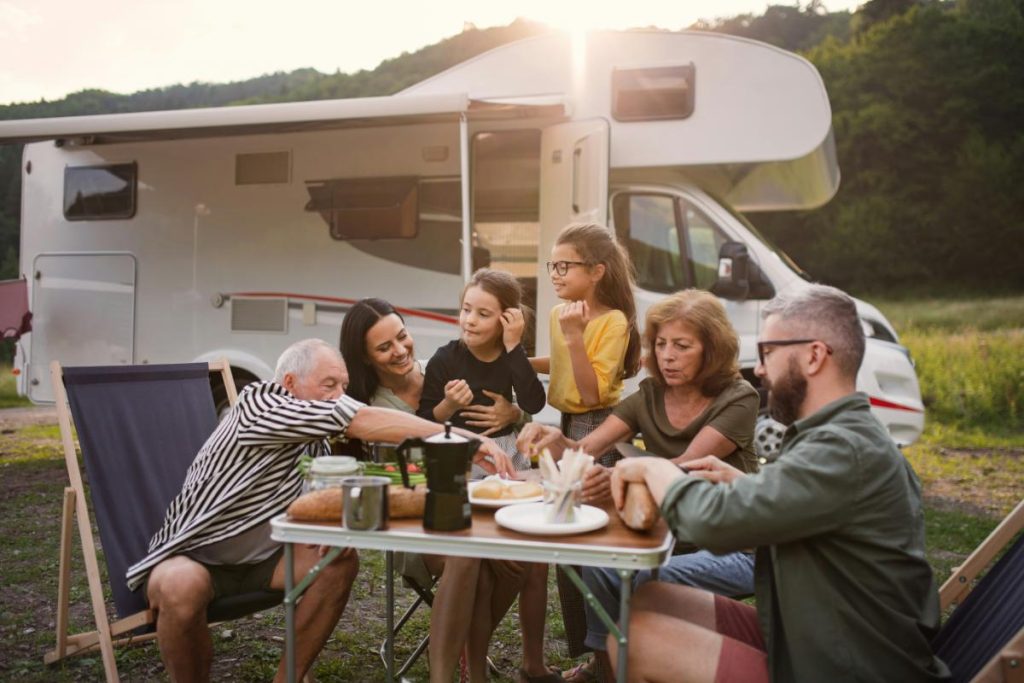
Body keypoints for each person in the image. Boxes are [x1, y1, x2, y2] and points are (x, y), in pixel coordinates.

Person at [606, 285, 950, 682]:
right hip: (812, 636)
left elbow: (710, 524)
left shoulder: (842, 450)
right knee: (650, 597)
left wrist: (655, 469)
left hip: (848, 666)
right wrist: (744, 487)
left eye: (768, 352)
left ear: (814, 355)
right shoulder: (840, 436)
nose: (761, 369)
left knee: (632, 640)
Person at [127, 339, 512, 682]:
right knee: (180, 586)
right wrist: (466, 439)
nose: (340, 396)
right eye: (329, 386)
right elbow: (361, 420)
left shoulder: (314, 443)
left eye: (344, 386)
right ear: (290, 384)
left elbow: (349, 482)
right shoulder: (259, 405)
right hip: (195, 556)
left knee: (338, 562)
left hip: (264, 560)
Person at [517, 289, 760, 683]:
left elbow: (684, 468)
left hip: (734, 546)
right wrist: (555, 440)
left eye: (682, 346)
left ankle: (618, 663)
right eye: (661, 344)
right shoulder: (649, 395)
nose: (667, 355)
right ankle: (609, 663)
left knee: (615, 576)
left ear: (711, 350)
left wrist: (620, 474)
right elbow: (585, 448)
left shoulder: (738, 397)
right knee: (597, 561)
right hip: (666, 537)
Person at [339, 298, 532, 683]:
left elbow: (509, 416)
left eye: (402, 336)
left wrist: (514, 414)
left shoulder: (442, 370)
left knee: (520, 561)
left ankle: (472, 664)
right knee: (468, 554)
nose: (400, 351)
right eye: (384, 347)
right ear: (365, 358)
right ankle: (443, 675)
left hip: (475, 507)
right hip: (417, 524)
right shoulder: (371, 407)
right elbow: (388, 477)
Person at [416, 269, 558, 682]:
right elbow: (424, 421)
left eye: (482, 313)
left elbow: (534, 400)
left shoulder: (511, 356)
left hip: (508, 463)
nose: (470, 320)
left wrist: (515, 350)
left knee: (535, 563)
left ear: (506, 320)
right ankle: (473, 668)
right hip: (459, 465)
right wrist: (445, 406)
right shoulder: (446, 359)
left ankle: (532, 661)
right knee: (487, 564)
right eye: (466, 310)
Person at [528, 222, 642, 673]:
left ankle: (608, 660)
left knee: (593, 546)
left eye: (564, 265)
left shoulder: (612, 321)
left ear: (596, 271)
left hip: (598, 428)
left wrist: (576, 336)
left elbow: (593, 392)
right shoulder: (564, 314)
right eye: (551, 265)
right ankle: (595, 659)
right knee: (567, 546)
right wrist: (509, 356)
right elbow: (558, 366)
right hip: (568, 423)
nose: (555, 274)